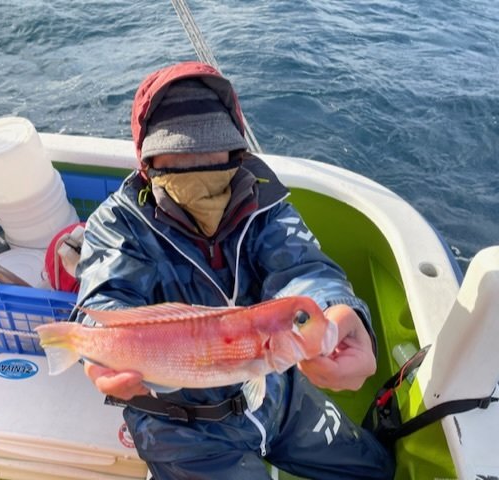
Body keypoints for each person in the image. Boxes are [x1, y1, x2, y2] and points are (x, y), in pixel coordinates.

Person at [72, 61, 395, 479]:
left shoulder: (267, 205)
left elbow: (303, 267)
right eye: (176, 162)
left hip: (278, 394)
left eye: (214, 154)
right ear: (146, 163)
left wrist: (337, 312)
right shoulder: (118, 223)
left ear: (237, 152)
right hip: (179, 428)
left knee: (376, 468)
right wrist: (97, 350)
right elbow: (105, 296)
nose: (198, 169)